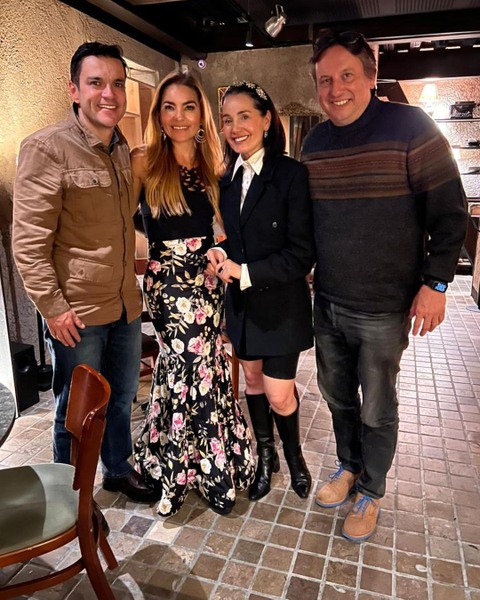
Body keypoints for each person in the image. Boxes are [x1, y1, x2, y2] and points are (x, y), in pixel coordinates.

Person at [302, 29, 468, 542]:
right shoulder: (314, 143)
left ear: (371, 76)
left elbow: (451, 211)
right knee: (337, 398)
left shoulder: (410, 127)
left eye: (347, 75)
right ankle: (349, 467)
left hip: (382, 307)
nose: (335, 89)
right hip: (328, 301)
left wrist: (436, 284)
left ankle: (371, 490)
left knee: (377, 405)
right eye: (325, 80)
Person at [13, 42, 155, 503]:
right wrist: (53, 309)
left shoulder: (120, 147)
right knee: (76, 411)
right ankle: (70, 496)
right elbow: (28, 243)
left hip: (124, 304)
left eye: (117, 83)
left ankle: (118, 468)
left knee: (121, 397)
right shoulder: (47, 148)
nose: (109, 93)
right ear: (74, 90)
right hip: (78, 312)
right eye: (96, 83)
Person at [131, 70, 255, 517]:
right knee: (185, 364)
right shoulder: (143, 161)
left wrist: (220, 253)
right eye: (169, 107)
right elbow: (122, 219)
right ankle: (185, 471)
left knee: (205, 364)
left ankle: (210, 461)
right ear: (158, 114)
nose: (179, 116)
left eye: (188, 107)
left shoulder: (215, 165)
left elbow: (225, 228)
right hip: (166, 282)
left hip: (206, 278)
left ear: (201, 115)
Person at [207, 81, 315, 501]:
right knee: (251, 381)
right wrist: (220, 253)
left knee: (278, 393)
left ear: (267, 120)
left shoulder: (291, 175)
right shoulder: (225, 178)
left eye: (245, 116)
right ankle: (265, 458)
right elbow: (231, 239)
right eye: (227, 120)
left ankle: (295, 457)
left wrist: (245, 271)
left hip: (282, 305)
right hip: (242, 304)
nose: (235, 128)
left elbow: (301, 254)